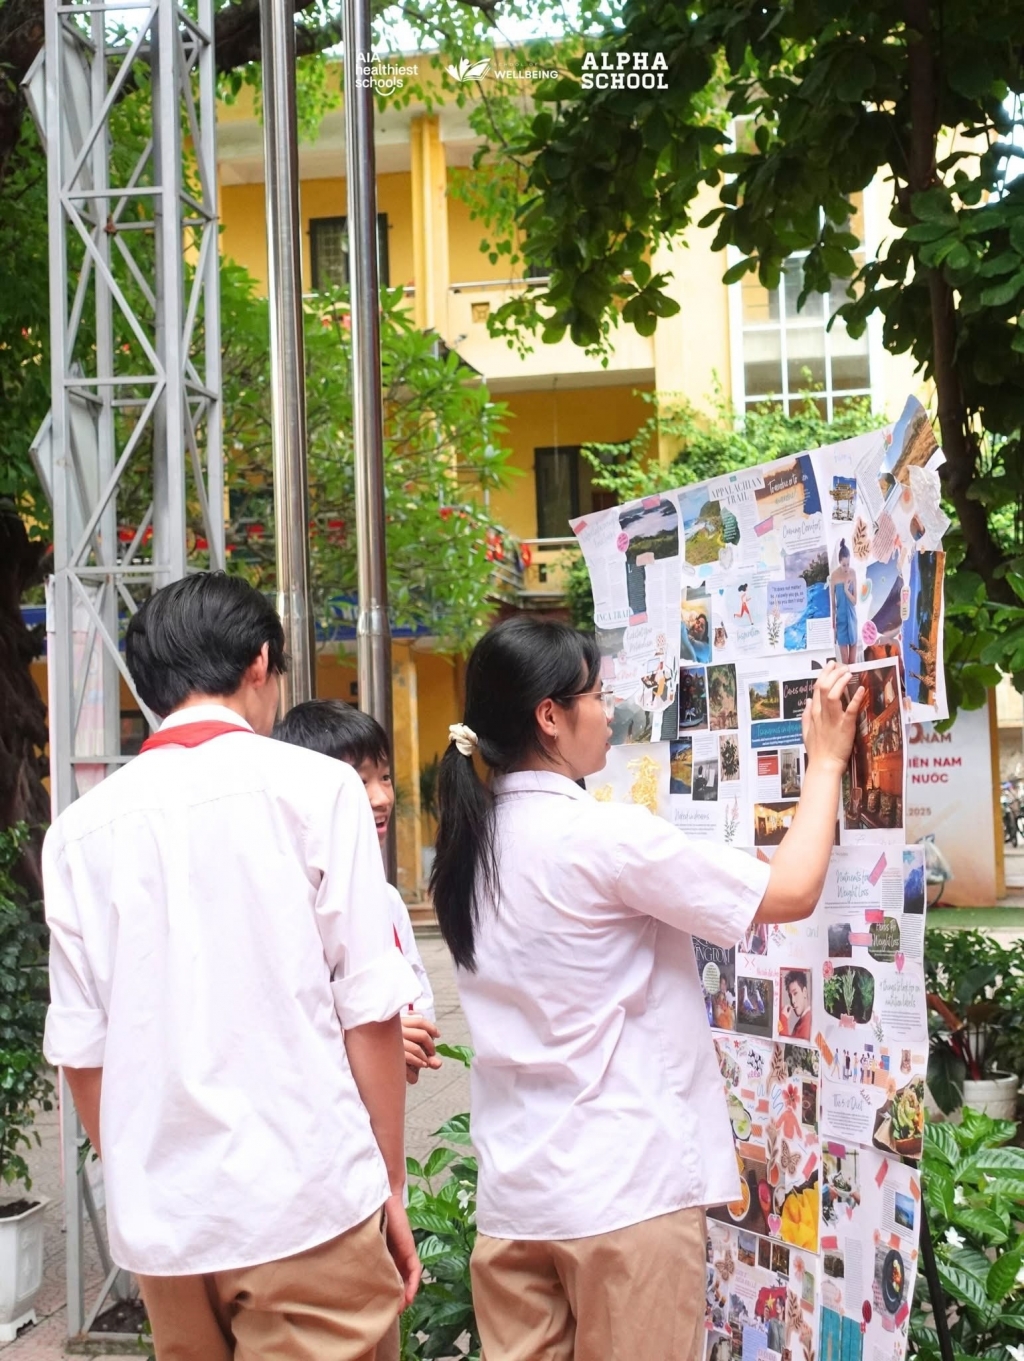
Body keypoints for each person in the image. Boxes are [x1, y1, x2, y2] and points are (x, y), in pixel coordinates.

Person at [429, 615, 863, 1361]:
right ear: (550, 717)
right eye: (596, 696)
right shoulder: (602, 837)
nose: (610, 713)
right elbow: (791, 890)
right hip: (623, 1196)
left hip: (516, 1204)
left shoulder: (467, 850)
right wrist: (823, 763)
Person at [42, 574, 421, 1361]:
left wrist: (148, 1184)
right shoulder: (319, 788)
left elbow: (83, 1052)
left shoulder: (77, 832)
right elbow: (370, 1008)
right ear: (259, 663)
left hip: (169, 1230)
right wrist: (389, 1181)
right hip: (306, 1203)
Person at [272, 699, 441, 1085]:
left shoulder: (387, 899)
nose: (381, 798)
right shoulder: (288, 900)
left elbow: (418, 1003)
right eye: (359, 781)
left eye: (385, 777)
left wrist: (408, 1038)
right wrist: (382, 1040)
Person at [831, 539, 858, 664]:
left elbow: (855, 601)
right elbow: (833, 605)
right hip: (841, 621)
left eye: (848, 564)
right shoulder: (834, 576)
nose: (846, 568)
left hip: (852, 619)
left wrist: (846, 591)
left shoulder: (853, 573)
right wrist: (833, 627)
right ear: (839, 562)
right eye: (844, 565)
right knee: (845, 665)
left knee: (853, 663)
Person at [781, 970, 812, 1042]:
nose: (792, 1001)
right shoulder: (802, 1021)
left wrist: (783, 1019)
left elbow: (784, 1045)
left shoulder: (807, 1023)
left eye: (795, 993)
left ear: (804, 992)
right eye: (790, 996)